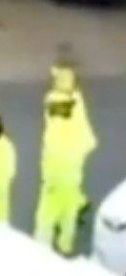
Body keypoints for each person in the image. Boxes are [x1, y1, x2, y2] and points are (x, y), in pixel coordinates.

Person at [37, 91, 96, 256]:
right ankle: (65, 247)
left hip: (53, 185)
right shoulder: (78, 132)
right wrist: (76, 96)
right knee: (68, 218)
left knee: (45, 220)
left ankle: (41, 251)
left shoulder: (54, 131)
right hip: (73, 182)